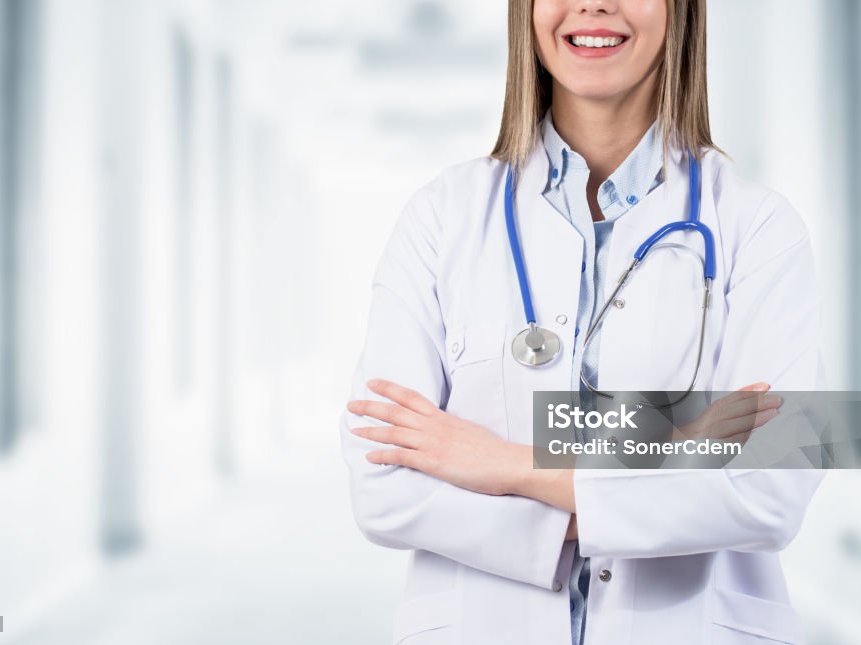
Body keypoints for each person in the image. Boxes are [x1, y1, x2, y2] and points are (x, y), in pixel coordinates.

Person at [340, 0, 825, 643]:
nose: (593, 5)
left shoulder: (756, 229)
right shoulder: (441, 219)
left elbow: (768, 488)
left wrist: (511, 466)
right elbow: (384, 485)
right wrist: (673, 456)